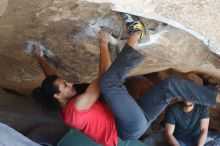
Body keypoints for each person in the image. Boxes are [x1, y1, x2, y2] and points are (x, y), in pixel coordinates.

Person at [32, 13, 220, 146]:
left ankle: (216, 97)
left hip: (134, 119)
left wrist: (41, 58)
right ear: (58, 95)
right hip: (128, 127)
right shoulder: (75, 109)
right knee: (108, 83)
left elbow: (51, 81)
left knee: (169, 85)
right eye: (65, 85)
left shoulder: (59, 97)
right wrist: (103, 43)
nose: (70, 83)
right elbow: (103, 78)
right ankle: (136, 34)